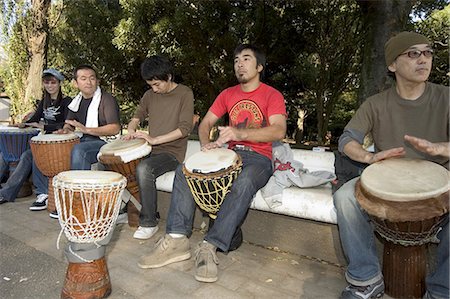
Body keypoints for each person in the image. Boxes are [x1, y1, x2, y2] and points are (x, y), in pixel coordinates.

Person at [137, 44, 287, 283]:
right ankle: (177, 239)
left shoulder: (272, 95)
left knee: (244, 181)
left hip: (259, 159)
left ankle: (210, 246)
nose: (239, 63)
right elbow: (205, 124)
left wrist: (239, 134)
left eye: (246, 59)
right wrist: (207, 144)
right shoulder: (228, 94)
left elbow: (279, 130)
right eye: (236, 59)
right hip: (231, 155)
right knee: (185, 171)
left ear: (259, 66)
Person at [333, 31, 449, 299]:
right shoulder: (376, 104)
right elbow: (347, 139)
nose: (424, 60)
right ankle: (366, 279)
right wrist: (369, 157)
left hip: (442, 183)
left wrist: (440, 148)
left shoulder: (445, 97)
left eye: (428, 52)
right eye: (413, 53)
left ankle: (443, 290)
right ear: (392, 65)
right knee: (344, 197)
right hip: (390, 183)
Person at [124, 55, 194, 240]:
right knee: (120, 164)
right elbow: (137, 115)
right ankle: (129, 211)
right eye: (151, 85)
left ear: (169, 76)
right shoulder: (150, 95)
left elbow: (185, 129)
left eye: (157, 84)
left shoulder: (185, 93)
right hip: (150, 150)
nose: (154, 89)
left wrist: (155, 140)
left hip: (172, 152)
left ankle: (149, 222)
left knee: (144, 168)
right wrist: (131, 129)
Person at [55, 65, 120, 218]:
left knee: (80, 151)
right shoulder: (77, 101)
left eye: (92, 78)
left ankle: (78, 202)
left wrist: (87, 130)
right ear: (76, 83)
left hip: (105, 142)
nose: (88, 82)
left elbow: (115, 129)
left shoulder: (106, 99)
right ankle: (47, 195)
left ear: (97, 81)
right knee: (55, 148)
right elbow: (70, 123)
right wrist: (65, 130)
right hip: (85, 139)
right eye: (83, 79)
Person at [0, 68, 71, 210]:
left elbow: (67, 124)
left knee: (30, 155)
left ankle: (43, 193)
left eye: (53, 82)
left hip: (60, 140)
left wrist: (45, 127)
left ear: (59, 84)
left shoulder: (66, 101)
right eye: (46, 82)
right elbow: (35, 119)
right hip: (44, 140)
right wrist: (23, 123)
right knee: (23, 155)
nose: (50, 85)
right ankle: (6, 193)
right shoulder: (44, 101)